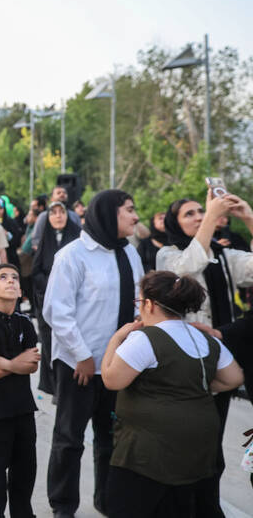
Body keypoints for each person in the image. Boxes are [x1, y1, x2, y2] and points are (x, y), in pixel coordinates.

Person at [101, 271, 244, 518]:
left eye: (139, 302)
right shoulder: (204, 337)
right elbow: (234, 378)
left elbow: (112, 379)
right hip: (199, 442)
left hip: (149, 450)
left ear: (150, 304)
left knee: (127, 507)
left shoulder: (145, 338)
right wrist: (199, 388)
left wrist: (116, 338)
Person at [42, 189, 143, 518]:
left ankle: (107, 500)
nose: (135, 216)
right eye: (129, 210)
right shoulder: (73, 255)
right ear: (109, 214)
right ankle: (63, 506)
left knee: (111, 439)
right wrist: (82, 355)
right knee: (69, 439)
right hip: (79, 366)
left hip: (118, 367)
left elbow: (139, 304)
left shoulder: (130, 253)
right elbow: (57, 311)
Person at [156, 190, 253, 507]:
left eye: (202, 211)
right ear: (173, 223)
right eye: (190, 214)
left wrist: (249, 217)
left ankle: (207, 506)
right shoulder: (167, 255)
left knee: (212, 445)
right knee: (189, 446)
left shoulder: (225, 256)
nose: (199, 216)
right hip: (185, 362)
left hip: (221, 359)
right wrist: (212, 216)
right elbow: (184, 271)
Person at [0, 264, 39, 518]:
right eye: (3, 277)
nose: (11, 281)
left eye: (14, 277)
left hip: (24, 407)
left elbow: (32, 364)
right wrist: (14, 363)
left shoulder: (26, 323)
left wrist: (2, 362)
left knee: (25, 473)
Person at [32, 201, 80, 396]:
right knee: (49, 344)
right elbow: (36, 271)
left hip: (73, 301)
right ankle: (53, 385)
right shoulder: (45, 238)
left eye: (62, 212)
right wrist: (53, 286)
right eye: (54, 213)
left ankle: (67, 384)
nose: (58, 216)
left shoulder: (77, 238)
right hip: (48, 301)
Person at [0, 197, 22, 269]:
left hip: (10, 256)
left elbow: (17, 241)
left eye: (0, 208)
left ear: (4, 209)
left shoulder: (11, 222)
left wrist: (8, 235)